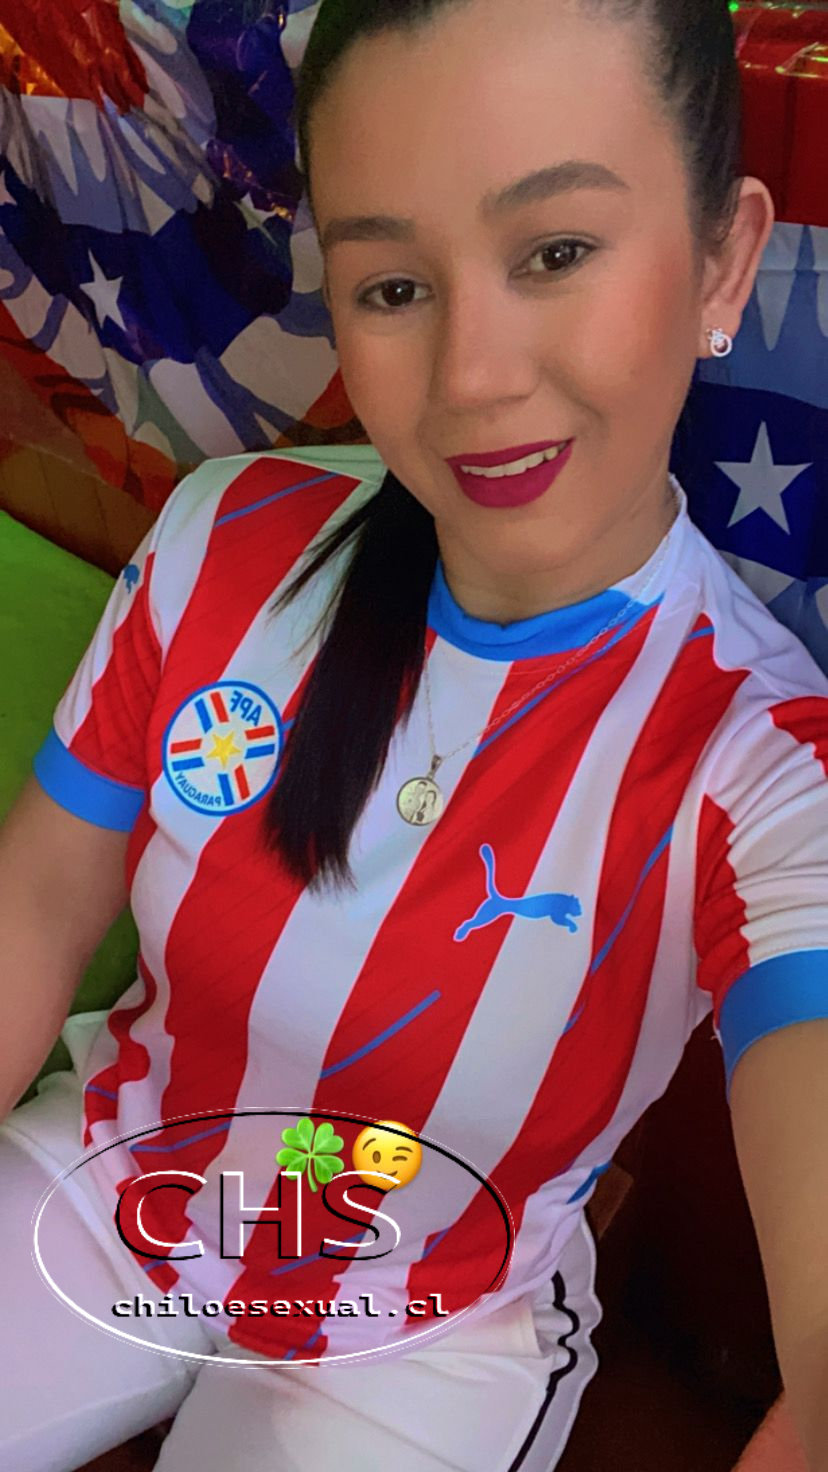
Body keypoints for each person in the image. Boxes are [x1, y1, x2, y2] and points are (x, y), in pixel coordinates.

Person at [1, 1, 827, 1469]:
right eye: (393, 285)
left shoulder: (762, 762)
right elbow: (42, 902)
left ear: (724, 258)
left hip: (427, 1330)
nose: (471, 379)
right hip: (115, 1180)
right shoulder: (223, 543)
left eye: (555, 253)